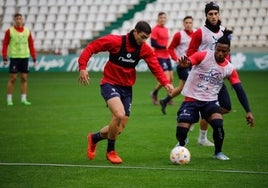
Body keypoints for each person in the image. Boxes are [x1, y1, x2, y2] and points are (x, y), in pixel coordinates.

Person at [78, 21, 174, 164]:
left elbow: (155, 66)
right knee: (119, 114)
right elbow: (92, 47)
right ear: (135, 31)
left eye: (146, 38)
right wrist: (83, 66)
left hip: (127, 89)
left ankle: (94, 138)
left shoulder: (144, 49)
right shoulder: (115, 41)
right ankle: (111, 151)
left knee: (119, 128)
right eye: (142, 36)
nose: (143, 40)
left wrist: (166, 83)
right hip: (109, 83)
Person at [175, 30, 254, 160]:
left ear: (228, 52)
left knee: (218, 124)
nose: (220, 53)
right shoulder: (204, 55)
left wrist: (248, 111)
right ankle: (183, 142)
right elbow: (189, 62)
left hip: (210, 102)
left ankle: (218, 153)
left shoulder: (229, 68)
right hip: (191, 99)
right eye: (218, 50)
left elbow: (239, 89)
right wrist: (183, 66)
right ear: (215, 48)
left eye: (224, 51)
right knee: (181, 131)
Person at [186, 1, 231, 146]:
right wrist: (199, 61)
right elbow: (191, 52)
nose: (213, 16)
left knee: (226, 106)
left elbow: (227, 53)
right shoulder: (200, 32)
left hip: (217, 75)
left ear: (219, 15)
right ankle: (202, 138)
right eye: (210, 14)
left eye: (216, 14)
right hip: (202, 75)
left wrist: (226, 68)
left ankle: (198, 115)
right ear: (206, 15)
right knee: (206, 106)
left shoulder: (224, 31)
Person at [160, 16, 195, 115]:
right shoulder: (179, 35)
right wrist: (177, 59)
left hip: (192, 64)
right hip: (182, 65)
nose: (188, 24)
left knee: (181, 88)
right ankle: (187, 109)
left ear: (193, 24)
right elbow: (170, 48)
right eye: (186, 22)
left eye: (190, 22)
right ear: (183, 24)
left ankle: (165, 101)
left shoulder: (196, 33)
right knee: (190, 86)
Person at [2, 13, 36, 106]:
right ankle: (9, 99)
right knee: (13, 78)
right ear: (14, 20)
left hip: (25, 57)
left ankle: (23, 99)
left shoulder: (27, 31)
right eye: (16, 18)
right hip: (14, 57)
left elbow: (31, 44)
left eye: (20, 18)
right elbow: (5, 44)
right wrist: (4, 56)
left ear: (22, 20)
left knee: (24, 78)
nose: (18, 20)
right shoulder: (10, 31)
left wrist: (34, 57)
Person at [150, 12, 173, 105]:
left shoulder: (166, 29)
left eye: (164, 18)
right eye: (161, 18)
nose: (162, 19)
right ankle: (155, 93)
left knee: (171, 78)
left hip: (167, 56)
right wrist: (164, 47)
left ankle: (168, 98)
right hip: (159, 56)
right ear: (158, 19)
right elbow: (153, 43)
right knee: (166, 78)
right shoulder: (155, 29)